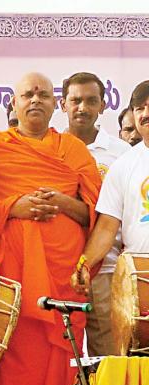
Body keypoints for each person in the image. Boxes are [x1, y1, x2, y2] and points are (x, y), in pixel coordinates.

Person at [0, 72, 100, 385]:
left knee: (60, 374)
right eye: (27, 94)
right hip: (15, 282)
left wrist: (64, 203)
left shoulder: (75, 151)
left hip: (62, 278)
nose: (35, 100)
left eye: (44, 94)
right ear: (12, 103)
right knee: (17, 375)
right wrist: (14, 206)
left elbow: (95, 215)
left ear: (57, 104)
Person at [60, 72, 132, 356]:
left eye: (91, 101)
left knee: (108, 359)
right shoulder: (52, 149)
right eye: (75, 100)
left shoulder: (121, 153)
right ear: (63, 104)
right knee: (65, 359)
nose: (82, 108)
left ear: (103, 106)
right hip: (61, 268)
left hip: (107, 269)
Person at [73, 80, 149, 300]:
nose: (145, 114)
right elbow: (106, 227)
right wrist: (84, 265)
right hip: (139, 278)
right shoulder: (123, 165)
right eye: (139, 108)